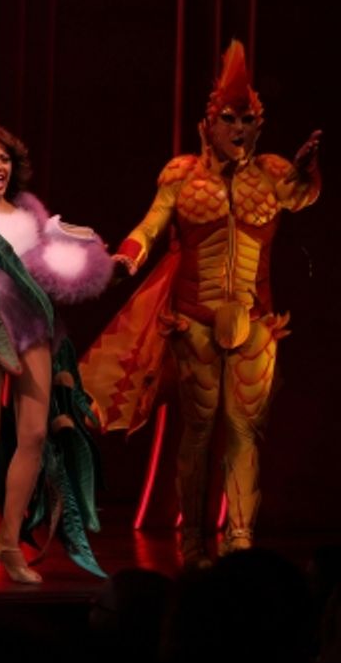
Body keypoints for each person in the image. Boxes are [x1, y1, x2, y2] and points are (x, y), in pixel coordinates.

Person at [83, 41, 321, 567]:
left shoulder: (274, 177)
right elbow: (150, 225)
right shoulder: (182, 176)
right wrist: (126, 257)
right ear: (209, 123)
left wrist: (306, 170)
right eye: (230, 119)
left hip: (256, 324)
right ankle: (192, 539)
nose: (240, 130)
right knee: (198, 430)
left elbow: (302, 197)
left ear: (260, 126)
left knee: (244, 433)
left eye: (249, 121)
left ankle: (239, 540)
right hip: (193, 322)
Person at [0, 122, 111, 584]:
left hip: (33, 327)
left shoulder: (32, 216)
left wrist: (90, 260)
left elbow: (55, 271)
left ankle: (9, 541)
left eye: (4, 159)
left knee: (34, 435)